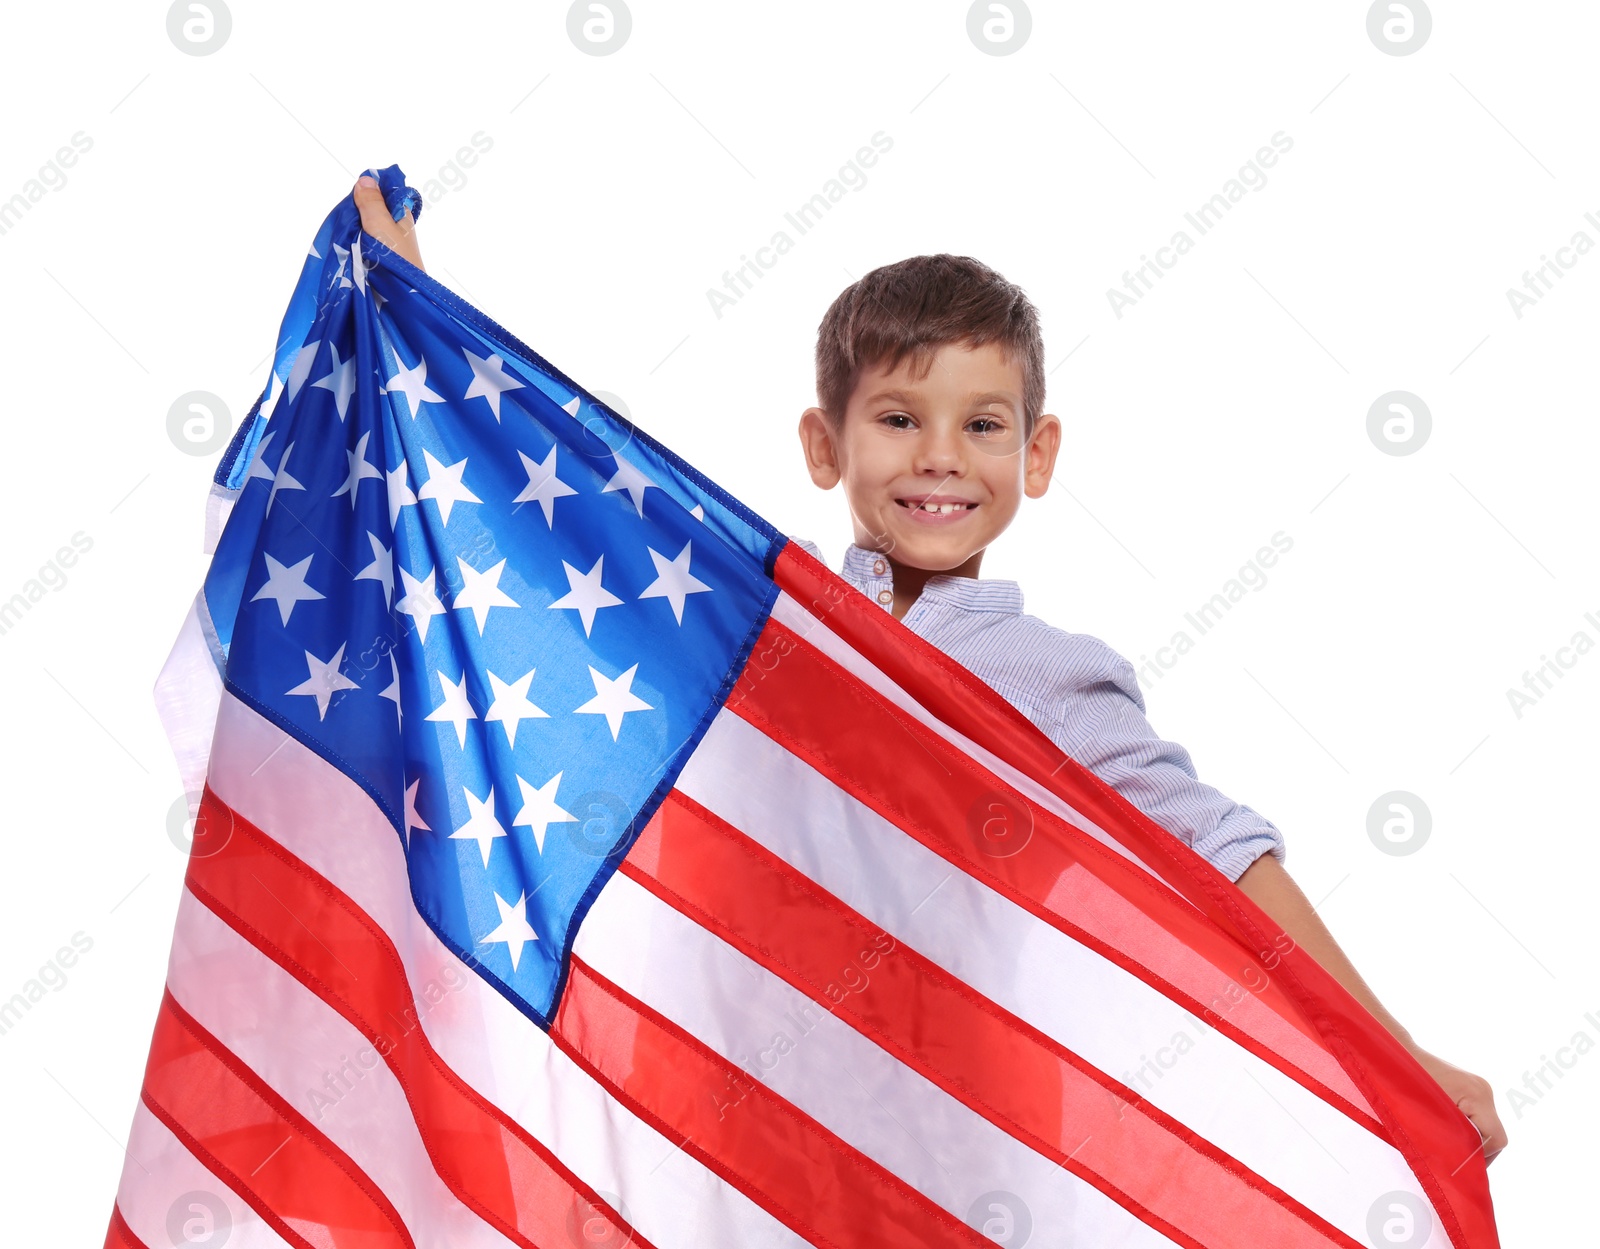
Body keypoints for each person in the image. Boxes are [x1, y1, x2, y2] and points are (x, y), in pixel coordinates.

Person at [352, 173, 1507, 1164]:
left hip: (962, 1138)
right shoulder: (765, 621)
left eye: (983, 425)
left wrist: (1395, 1056)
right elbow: (577, 524)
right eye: (899, 418)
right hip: (743, 1112)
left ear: (1036, 452)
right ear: (825, 443)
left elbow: (1224, 858)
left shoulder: (1050, 678)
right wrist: (421, 316)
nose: (941, 459)